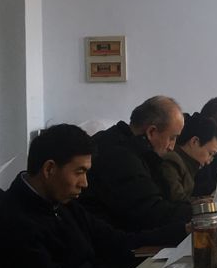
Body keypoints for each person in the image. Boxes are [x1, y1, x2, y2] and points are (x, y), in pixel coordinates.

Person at [0, 124, 187, 268]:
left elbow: (117, 240)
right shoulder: (14, 221)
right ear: (49, 169)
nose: (85, 183)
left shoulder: (62, 203)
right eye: (79, 172)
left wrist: (182, 230)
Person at [79, 95, 193, 232]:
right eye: (172, 138)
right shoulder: (119, 156)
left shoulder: (125, 143)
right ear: (151, 132)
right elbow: (152, 214)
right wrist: (204, 214)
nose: (172, 147)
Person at [160, 113, 217, 203]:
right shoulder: (172, 161)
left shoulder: (186, 163)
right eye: (210, 153)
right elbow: (177, 202)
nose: (209, 161)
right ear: (194, 142)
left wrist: (201, 200)